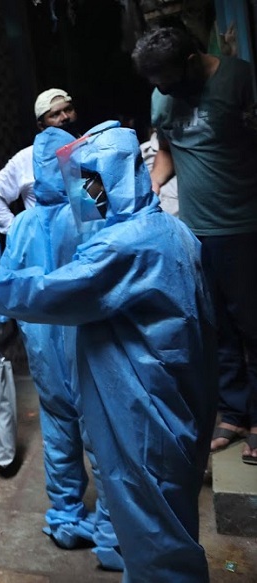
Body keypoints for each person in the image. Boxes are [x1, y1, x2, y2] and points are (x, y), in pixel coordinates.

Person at [0, 124, 216, 581]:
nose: (87, 198)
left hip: (144, 412)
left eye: (93, 184)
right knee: (156, 529)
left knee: (155, 537)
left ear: (116, 177)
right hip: (172, 404)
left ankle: (86, 525)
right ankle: (109, 538)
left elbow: (43, 291)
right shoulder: (172, 230)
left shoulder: (127, 245)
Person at [132, 26, 257, 464]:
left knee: (253, 326)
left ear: (191, 60)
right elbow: (166, 149)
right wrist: (150, 186)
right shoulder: (161, 97)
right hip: (195, 229)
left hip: (243, 225)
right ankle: (235, 413)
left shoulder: (239, 80)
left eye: (167, 78)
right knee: (216, 325)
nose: (163, 89)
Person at [0, 126, 122, 570]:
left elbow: (7, 284)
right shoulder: (90, 212)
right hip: (88, 346)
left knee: (58, 432)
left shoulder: (23, 226)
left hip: (41, 350)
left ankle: (67, 518)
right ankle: (112, 535)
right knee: (102, 436)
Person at [0, 88, 79, 235]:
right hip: (45, 243)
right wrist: (18, 234)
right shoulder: (27, 157)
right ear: (41, 125)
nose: (65, 117)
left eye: (68, 109)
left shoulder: (90, 146)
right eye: (55, 114)